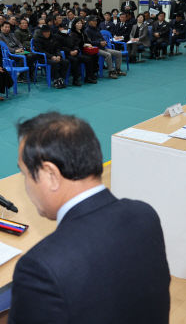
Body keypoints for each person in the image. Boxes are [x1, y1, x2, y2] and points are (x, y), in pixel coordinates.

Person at [9, 112, 170, 324]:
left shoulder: (41, 266)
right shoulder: (144, 215)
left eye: (25, 174)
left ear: (51, 175)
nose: (26, 186)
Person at [68, 19, 98, 84]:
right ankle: (85, 78)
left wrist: (88, 44)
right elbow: (75, 44)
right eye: (78, 23)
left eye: (81, 23)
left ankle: (91, 75)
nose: (80, 25)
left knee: (94, 55)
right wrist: (84, 44)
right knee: (88, 59)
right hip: (77, 51)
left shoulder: (82, 32)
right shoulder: (72, 33)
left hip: (83, 50)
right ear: (74, 24)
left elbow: (87, 40)